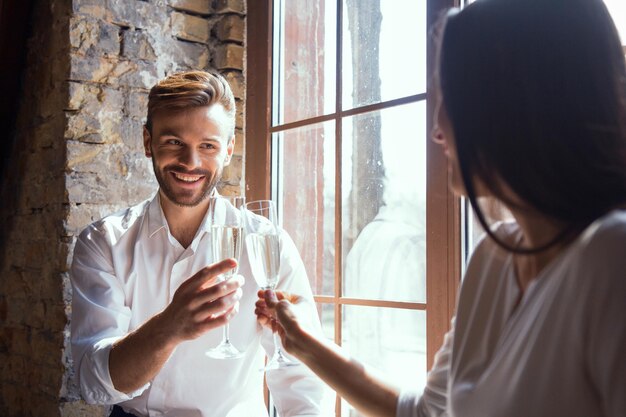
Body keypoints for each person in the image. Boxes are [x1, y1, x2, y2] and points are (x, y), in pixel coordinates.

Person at [255, 0, 626, 416]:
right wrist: (303, 341)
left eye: (450, 95)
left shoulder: (612, 257)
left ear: (516, 102)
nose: (437, 127)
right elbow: (428, 411)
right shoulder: (494, 257)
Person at [70, 70, 330, 417]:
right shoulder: (103, 241)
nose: (190, 162)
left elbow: (301, 376)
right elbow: (93, 383)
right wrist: (170, 325)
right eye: (174, 142)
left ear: (228, 151)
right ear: (148, 143)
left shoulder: (268, 243)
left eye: (207, 145)